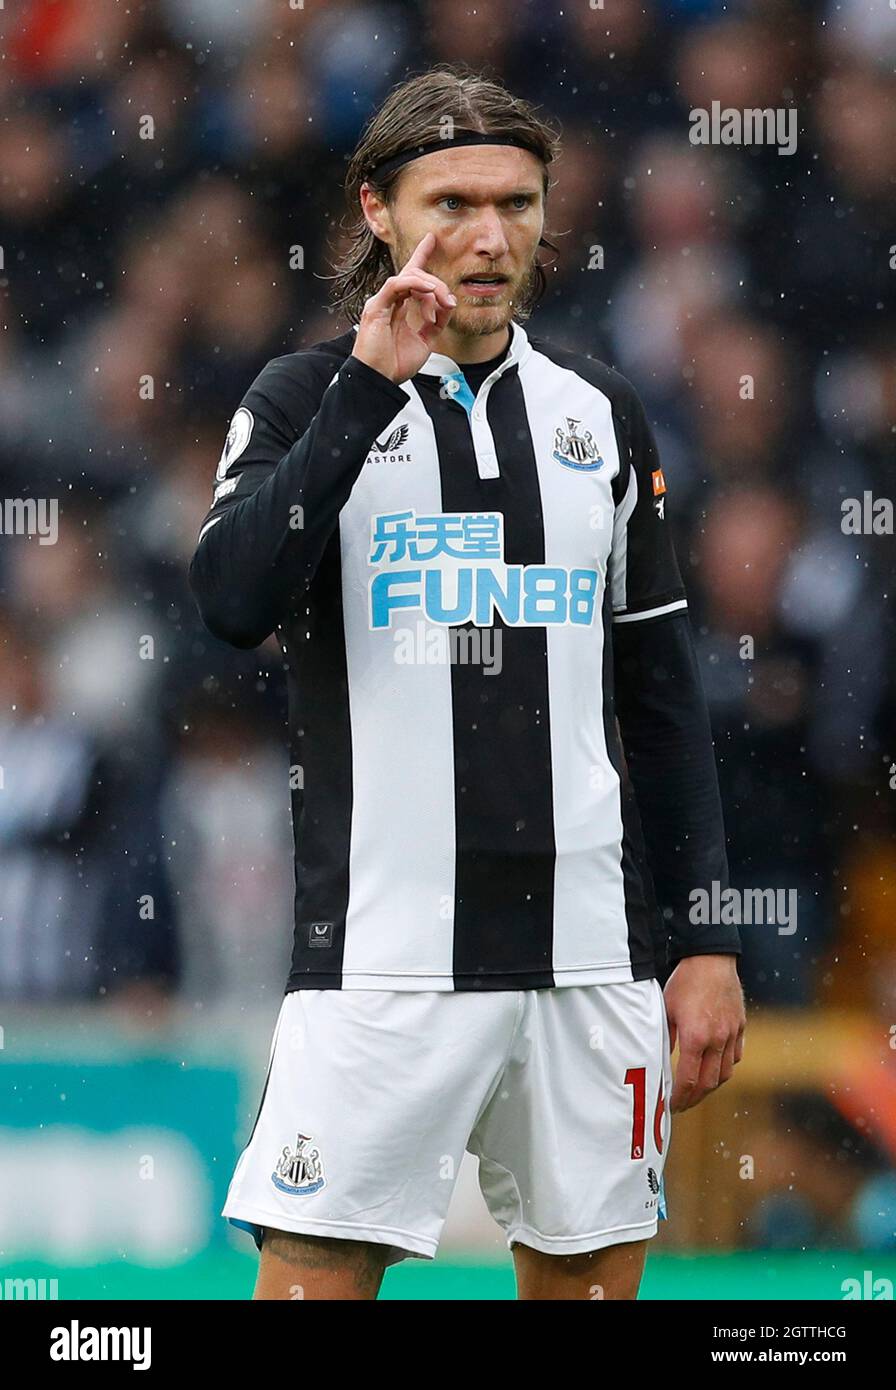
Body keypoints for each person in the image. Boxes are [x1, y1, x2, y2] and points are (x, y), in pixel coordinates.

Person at [188, 65, 745, 1301]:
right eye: (451, 201)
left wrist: (701, 938)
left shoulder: (597, 411)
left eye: (517, 202)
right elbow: (228, 604)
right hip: (383, 963)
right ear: (377, 209)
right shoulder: (297, 397)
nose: (488, 237)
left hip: (590, 962)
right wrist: (365, 393)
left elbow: (658, 696)